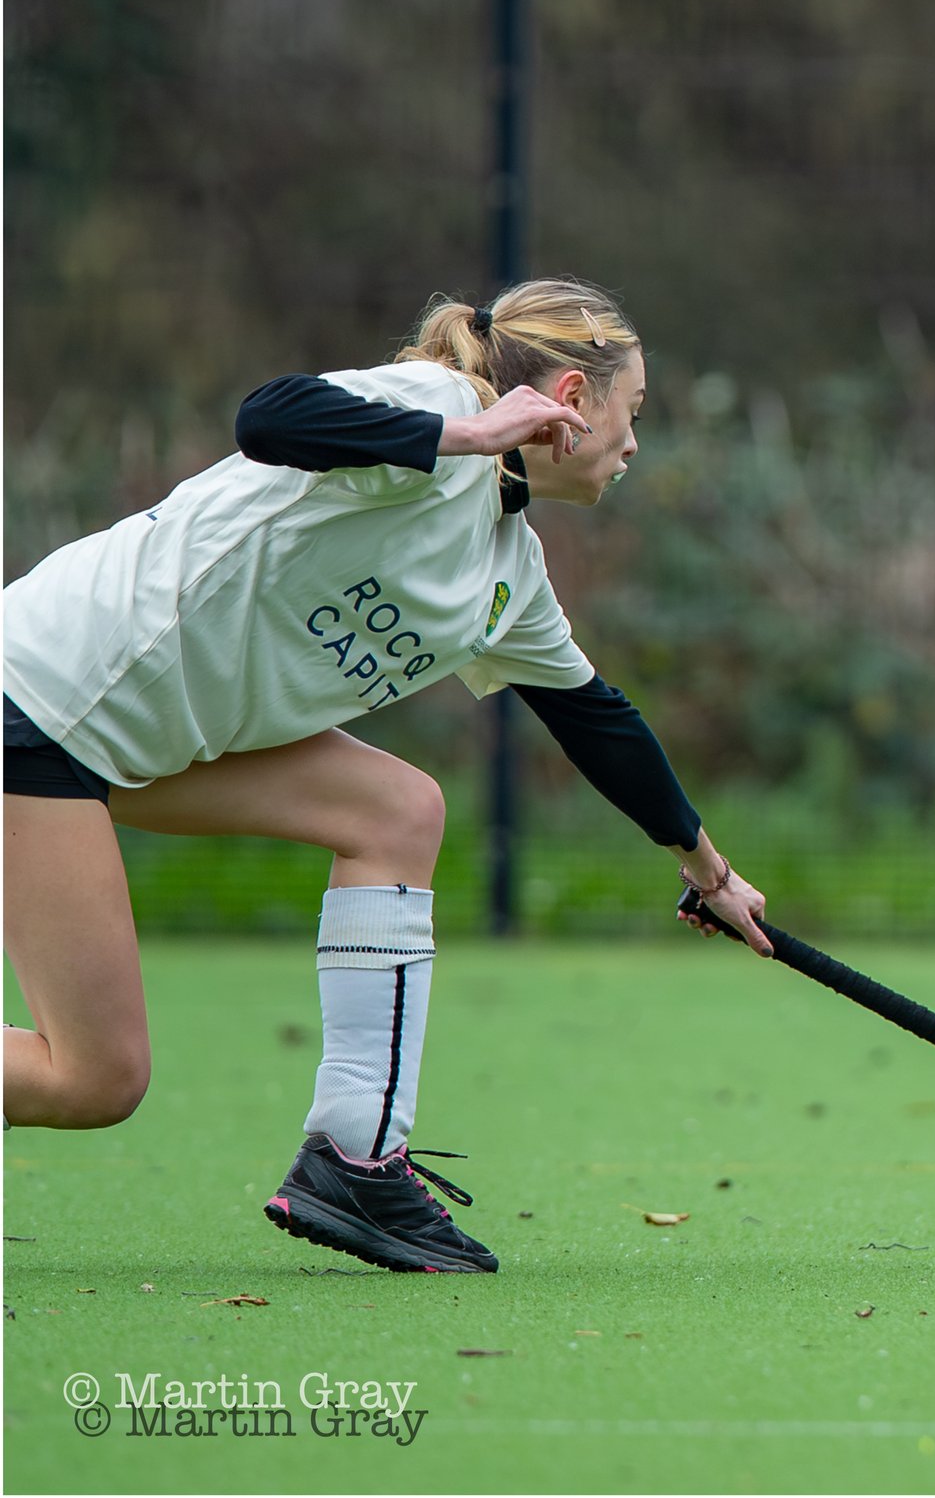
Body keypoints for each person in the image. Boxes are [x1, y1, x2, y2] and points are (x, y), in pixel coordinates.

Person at [2, 278, 775, 1275]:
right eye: (633, 413)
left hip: (127, 736)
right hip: (38, 699)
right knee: (94, 1079)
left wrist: (710, 875)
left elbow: (597, 720)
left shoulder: (509, 570)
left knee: (397, 808)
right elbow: (268, 416)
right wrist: (471, 433)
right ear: (574, 398)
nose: (633, 444)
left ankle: (357, 1160)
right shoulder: (436, 409)